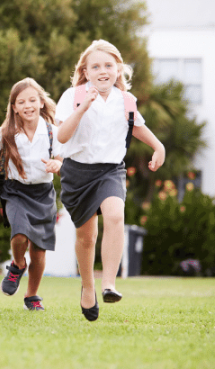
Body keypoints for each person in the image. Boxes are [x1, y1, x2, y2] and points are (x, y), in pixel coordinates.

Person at [55, 40, 165, 321]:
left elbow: (137, 125)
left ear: (118, 69)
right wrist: (83, 107)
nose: (103, 71)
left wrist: (158, 147)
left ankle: (109, 284)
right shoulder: (73, 95)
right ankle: (88, 287)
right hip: (77, 173)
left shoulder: (126, 101)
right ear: (86, 71)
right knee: (86, 237)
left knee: (115, 216)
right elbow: (62, 136)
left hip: (110, 170)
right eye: (96, 66)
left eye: (108, 65)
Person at [0, 77, 62, 311]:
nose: (27, 105)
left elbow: (60, 157)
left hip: (43, 193)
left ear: (40, 102)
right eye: (21, 101)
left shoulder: (52, 132)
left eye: (32, 100)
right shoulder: (5, 133)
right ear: (14, 107)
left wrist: (57, 165)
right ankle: (18, 264)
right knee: (19, 236)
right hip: (15, 191)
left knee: (39, 250)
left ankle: (32, 295)